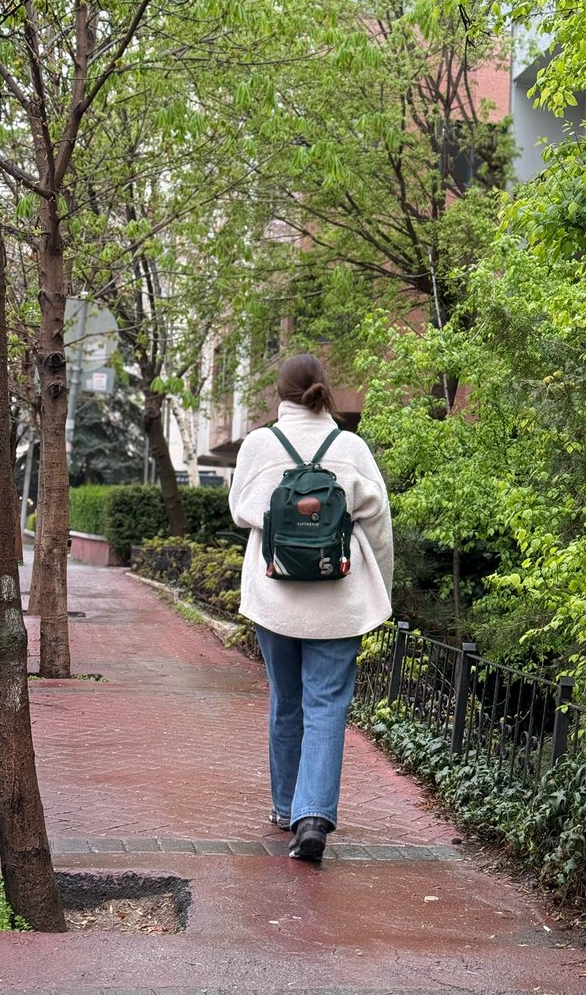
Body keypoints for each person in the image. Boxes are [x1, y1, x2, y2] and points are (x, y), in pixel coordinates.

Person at [229, 353, 393, 862]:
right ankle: (313, 818)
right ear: (324, 390)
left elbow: (239, 511)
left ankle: (285, 809)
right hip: (339, 600)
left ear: (281, 394)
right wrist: (380, 589)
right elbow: (379, 526)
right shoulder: (351, 447)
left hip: (274, 598)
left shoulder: (259, 445)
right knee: (327, 707)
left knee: (286, 700)